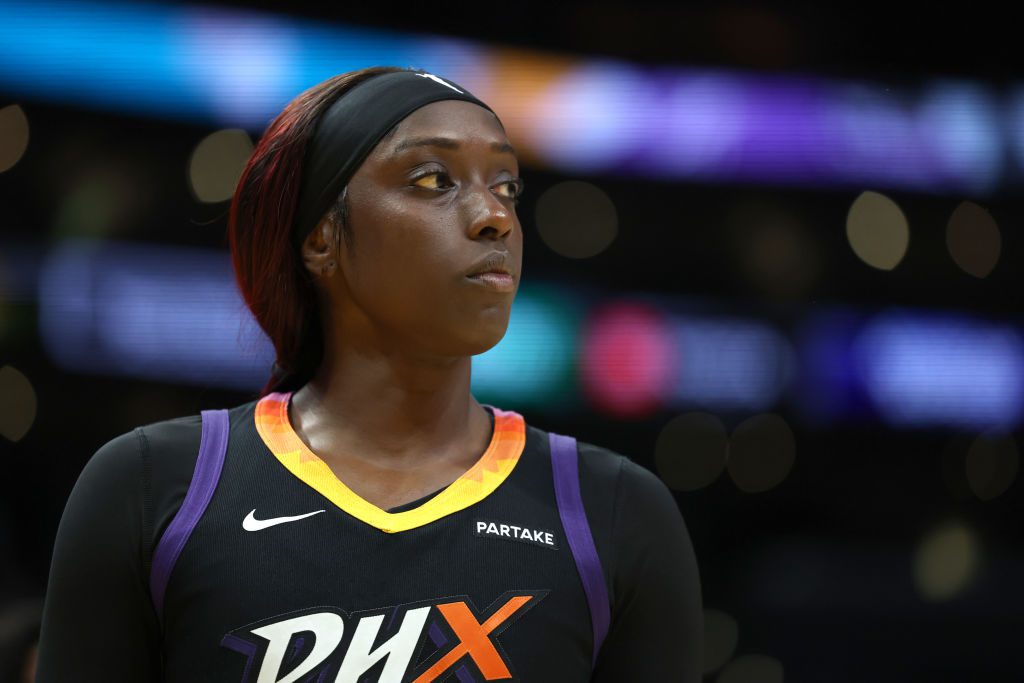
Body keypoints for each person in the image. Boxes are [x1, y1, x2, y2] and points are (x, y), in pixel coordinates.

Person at [35, 66, 703, 682]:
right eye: (434, 181)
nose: (496, 215)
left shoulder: (613, 510)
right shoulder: (154, 486)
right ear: (321, 236)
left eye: (506, 186)